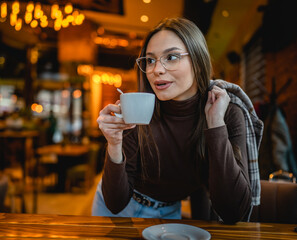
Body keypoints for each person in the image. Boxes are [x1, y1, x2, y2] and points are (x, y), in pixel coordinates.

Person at [92, 17, 263, 224]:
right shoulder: (138, 109)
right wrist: (114, 143)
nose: (157, 70)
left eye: (171, 57)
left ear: (198, 62)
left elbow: (234, 212)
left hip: (168, 211)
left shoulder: (227, 112)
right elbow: (116, 202)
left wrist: (216, 125)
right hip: (119, 204)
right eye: (150, 60)